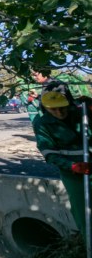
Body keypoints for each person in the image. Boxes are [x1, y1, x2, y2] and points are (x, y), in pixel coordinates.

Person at [33, 90, 92, 240]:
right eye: (53, 109)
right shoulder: (42, 124)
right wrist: (72, 166)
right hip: (73, 173)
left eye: (62, 108)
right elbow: (49, 153)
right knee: (83, 210)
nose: (59, 112)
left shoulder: (81, 113)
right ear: (45, 108)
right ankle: (89, 242)